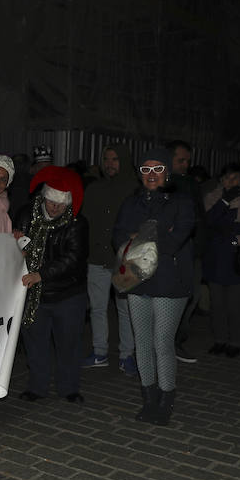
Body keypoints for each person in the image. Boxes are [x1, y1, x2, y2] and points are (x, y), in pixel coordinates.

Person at [113, 148, 194, 426]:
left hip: (170, 281)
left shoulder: (182, 201)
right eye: (146, 169)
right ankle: (148, 398)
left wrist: (142, 235)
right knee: (142, 343)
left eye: (157, 168)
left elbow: (178, 238)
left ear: (167, 173)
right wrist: (157, 232)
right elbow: (119, 236)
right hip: (136, 278)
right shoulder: (131, 203)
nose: (151, 174)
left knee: (162, 342)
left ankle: (165, 399)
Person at [15, 166, 89, 404]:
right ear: (44, 197)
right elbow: (15, 247)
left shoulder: (77, 223)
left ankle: (69, 388)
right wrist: (15, 244)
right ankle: (37, 386)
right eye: (51, 202)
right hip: (34, 295)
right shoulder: (26, 214)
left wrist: (41, 274)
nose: (55, 207)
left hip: (67, 293)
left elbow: (73, 259)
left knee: (69, 343)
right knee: (36, 344)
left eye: (61, 203)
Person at [81, 144, 138, 374]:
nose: (110, 163)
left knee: (125, 310)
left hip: (125, 260)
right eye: (106, 159)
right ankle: (99, 352)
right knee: (97, 308)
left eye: (115, 159)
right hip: (96, 258)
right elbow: (85, 222)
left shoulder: (135, 188)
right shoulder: (94, 188)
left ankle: (127, 355)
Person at [166, 139, 203, 364]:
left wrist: (200, 246)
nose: (185, 165)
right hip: (171, 253)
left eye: (188, 161)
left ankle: (176, 340)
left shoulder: (190, 183)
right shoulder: (161, 183)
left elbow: (200, 218)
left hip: (192, 251)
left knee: (192, 296)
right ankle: (167, 342)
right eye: (181, 160)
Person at [202, 163, 240, 357]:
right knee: (216, 303)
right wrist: (225, 201)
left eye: (235, 178)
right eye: (226, 178)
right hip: (215, 257)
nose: (230, 182)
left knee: (235, 304)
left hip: (236, 257)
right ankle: (220, 339)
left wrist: (229, 231)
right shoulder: (213, 197)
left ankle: (235, 341)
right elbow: (208, 221)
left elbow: (226, 227)